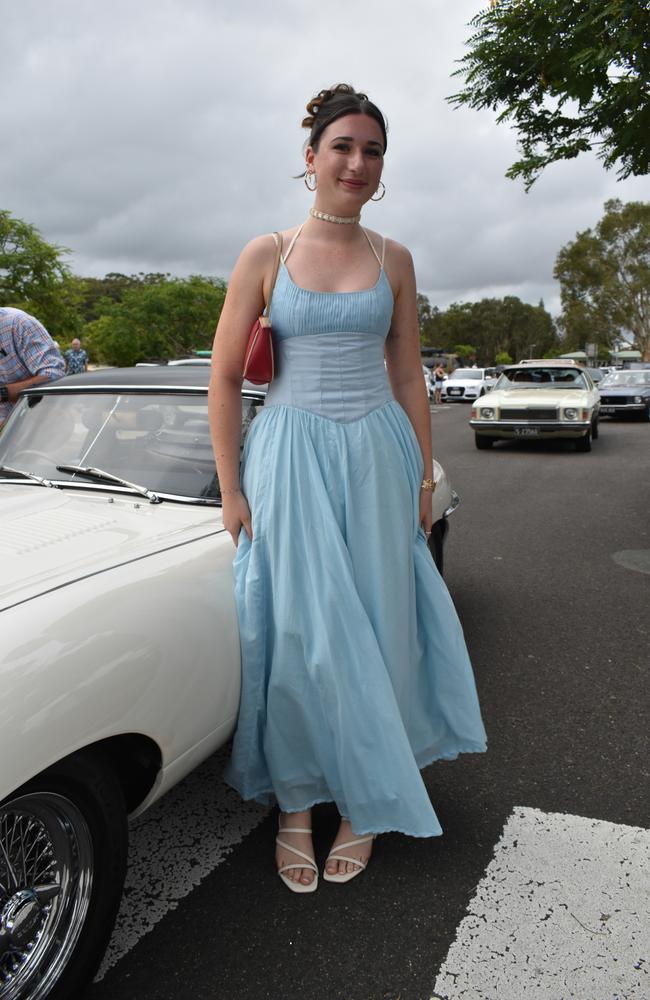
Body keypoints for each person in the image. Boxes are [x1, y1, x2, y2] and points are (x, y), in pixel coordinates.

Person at [208, 84, 486, 893]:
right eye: (343, 147)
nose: (358, 163)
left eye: (372, 151)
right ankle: (296, 800)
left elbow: (407, 373)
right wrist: (232, 490)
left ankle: (366, 803)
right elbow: (226, 380)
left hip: (377, 454)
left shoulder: (392, 258)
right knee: (300, 632)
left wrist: (424, 473)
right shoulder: (267, 253)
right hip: (288, 455)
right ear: (311, 157)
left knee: (383, 623)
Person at [0, 306, 65, 428]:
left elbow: (54, 374)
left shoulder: (18, 323)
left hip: (41, 425)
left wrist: (4, 393)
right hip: (8, 434)